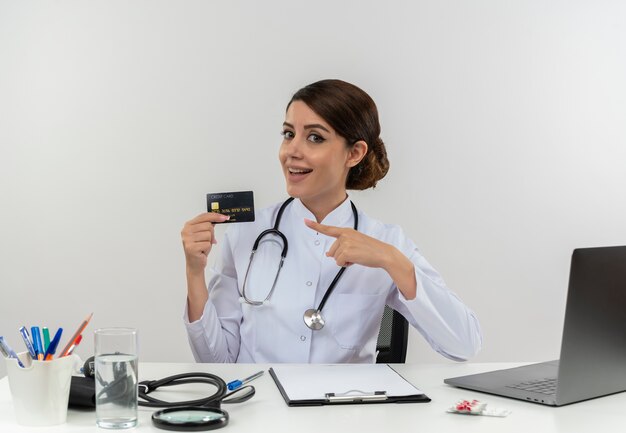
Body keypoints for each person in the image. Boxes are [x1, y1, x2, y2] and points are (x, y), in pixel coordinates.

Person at [181, 79, 482, 363]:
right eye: (289, 134)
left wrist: (392, 260)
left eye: (315, 137)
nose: (292, 151)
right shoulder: (247, 234)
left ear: (354, 153)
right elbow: (217, 362)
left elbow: (464, 345)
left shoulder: (386, 242)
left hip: (344, 414)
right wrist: (195, 272)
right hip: (260, 408)